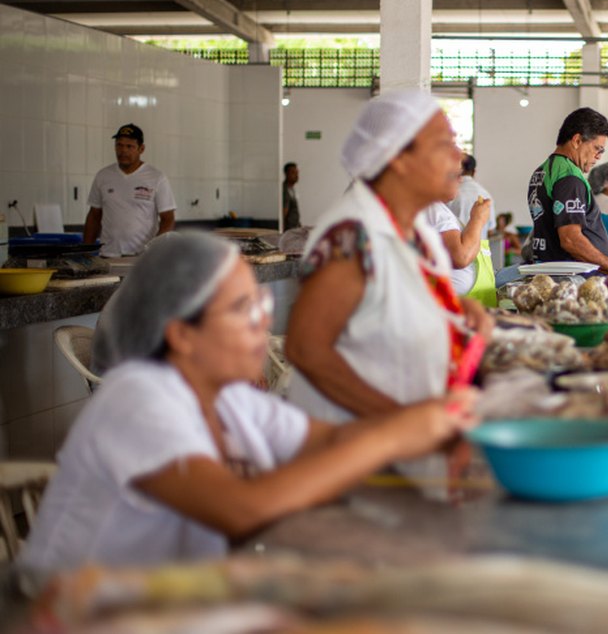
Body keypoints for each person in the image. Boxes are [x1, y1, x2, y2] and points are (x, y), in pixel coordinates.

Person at [18, 233, 475, 587]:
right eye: (243, 309)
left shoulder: (231, 400)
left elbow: (330, 441)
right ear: (182, 334)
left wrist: (430, 429)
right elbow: (240, 510)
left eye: (260, 302)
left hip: (165, 601)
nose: (263, 322)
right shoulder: (136, 399)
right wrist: (395, 436)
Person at [284, 90, 493, 421]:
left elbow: (389, 303)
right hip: (353, 436)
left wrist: (459, 309)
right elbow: (306, 349)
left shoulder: (415, 226)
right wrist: (396, 420)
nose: (459, 157)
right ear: (398, 158)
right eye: (445, 144)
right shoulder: (351, 236)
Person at [527, 107, 608, 287]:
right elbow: (570, 240)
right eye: (597, 149)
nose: (599, 157)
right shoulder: (569, 178)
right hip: (568, 282)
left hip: (560, 276)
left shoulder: (544, 170)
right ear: (577, 140)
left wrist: (598, 271)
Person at [83, 124, 175, 257]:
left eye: (129, 146)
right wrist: (86, 252)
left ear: (141, 149)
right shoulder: (103, 176)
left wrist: (155, 250)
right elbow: (94, 216)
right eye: (119, 145)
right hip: (108, 254)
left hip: (142, 257)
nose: (123, 151)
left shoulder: (156, 178)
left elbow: (168, 219)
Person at [424, 197, 497, 307]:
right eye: (452, 178)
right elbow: (462, 257)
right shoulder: (433, 208)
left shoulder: (436, 208)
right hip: (457, 308)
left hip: (466, 305)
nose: (459, 180)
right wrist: (478, 219)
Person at [448, 154, 496, 237]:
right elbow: (490, 230)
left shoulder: (448, 194)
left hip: (454, 247)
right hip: (480, 247)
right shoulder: (485, 195)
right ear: (474, 172)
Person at [282, 162, 302, 230]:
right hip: (288, 230)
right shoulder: (284, 190)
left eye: (297, 173)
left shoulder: (292, 189)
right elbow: (283, 213)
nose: (296, 175)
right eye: (293, 173)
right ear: (286, 174)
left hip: (294, 227)